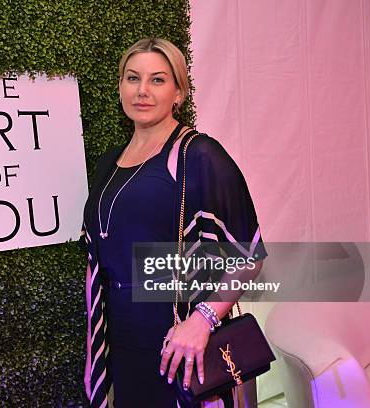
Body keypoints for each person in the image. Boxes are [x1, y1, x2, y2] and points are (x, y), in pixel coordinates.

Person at [81, 38, 267, 408]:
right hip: (121, 339)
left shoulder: (199, 155)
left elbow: (250, 256)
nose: (143, 90)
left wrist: (202, 320)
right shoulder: (108, 162)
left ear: (178, 92)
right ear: (120, 87)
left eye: (158, 80)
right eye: (133, 78)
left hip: (181, 340)